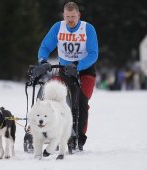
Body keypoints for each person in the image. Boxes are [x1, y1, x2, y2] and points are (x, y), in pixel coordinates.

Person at [33, 1, 98, 152]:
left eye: (73, 17)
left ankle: (79, 137)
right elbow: (45, 46)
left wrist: (77, 65)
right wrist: (43, 61)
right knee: (51, 97)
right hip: (64, 70)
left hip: (85, 71)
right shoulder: (58, 27)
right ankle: (50, 132)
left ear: (79, 15)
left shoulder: (88, 29)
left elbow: (93, 53)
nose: (70, 20)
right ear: (63, 15)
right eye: (67, 16)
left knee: (81, 102)